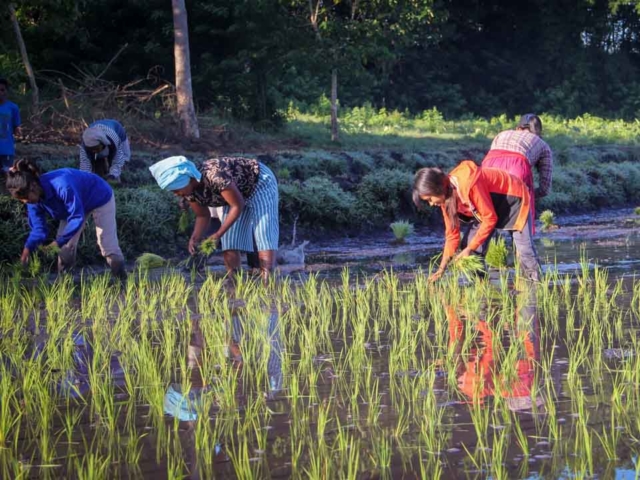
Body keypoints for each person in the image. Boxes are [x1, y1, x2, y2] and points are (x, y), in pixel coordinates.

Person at [149, 155, 279, 280]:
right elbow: (203, 215)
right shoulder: (189, 192)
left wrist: (217, 234)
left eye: (176, 190)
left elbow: (237, 205)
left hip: (258, 182)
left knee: (264, 232)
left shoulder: (215, 176)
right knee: (230, 241)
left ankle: (268, 282)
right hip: (236, 194)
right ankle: (234, 280)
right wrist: (195, 237)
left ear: (187, 179)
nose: (176, 194)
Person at [413, 160, 541, 282]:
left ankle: (536, 286)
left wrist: (470, 248)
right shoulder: (445, 199)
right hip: (486, 208)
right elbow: (452, 235)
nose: (430, 204)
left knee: (524, 250)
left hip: (512, 198)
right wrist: (441, 270)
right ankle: (481, 285)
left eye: (430, 199)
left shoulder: (470, 184)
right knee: (469, 248)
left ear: (438, 188)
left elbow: (490, 218)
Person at [5, 158, 126, 280]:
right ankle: (65, 283)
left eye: (26, 198)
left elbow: (76, 217)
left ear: (33, 186)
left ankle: (122, 280)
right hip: (74, 205)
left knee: (107, 245)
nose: (25, 202)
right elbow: (39, 229)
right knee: (65, 248)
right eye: (22, 200)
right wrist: (27, 250)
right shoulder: (32, 201)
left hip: (99, 196)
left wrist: (57, 242)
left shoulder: (62, 186)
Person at [483, 113, 553, 226]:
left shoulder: (501, 134)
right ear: (539, 133)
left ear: (518, 128)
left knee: (486, 226)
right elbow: (545, 188)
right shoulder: (542, 145)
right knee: (522, 236)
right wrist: (529, 194)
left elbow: (493, 158)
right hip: (517, 172)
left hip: (487, 174)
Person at [0, 78, 21, 174]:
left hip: (6, 149)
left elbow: (17, 126)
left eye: (2, 90)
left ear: (6, 91)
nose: (0, 92)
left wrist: (18, 132)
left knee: (8, 176)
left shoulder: (13, 107)